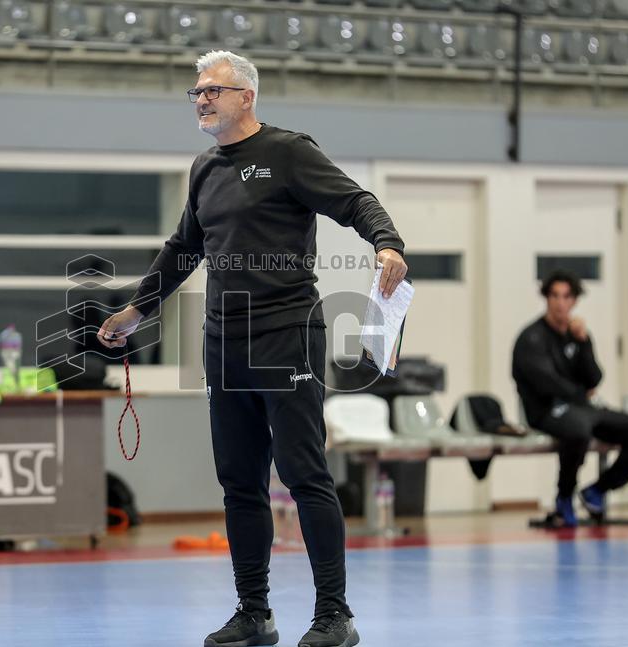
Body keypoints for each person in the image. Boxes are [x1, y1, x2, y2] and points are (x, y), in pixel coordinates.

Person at [97, 51, 407, 647]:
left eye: (213, 90)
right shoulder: (204, 167)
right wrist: (136, 311)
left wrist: (386, 244)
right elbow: (182, 250)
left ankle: (334, 615)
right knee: (240, 480)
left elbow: (355, 201)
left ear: (247, 96)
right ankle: (254, 612)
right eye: (196, 92)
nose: (202, 99)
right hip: (223, 342)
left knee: (302, 472)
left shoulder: (289, 152)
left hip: (286, 333)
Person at [512, 269, 628, 528]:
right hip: (546, 411)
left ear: (574, 301)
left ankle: (597, 491)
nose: (560, 303)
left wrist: (583, 344)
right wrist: (580, 393)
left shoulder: (578, 334)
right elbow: (547, 384)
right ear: (546, 298)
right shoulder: (531, 338)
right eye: (555, 296)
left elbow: (594, 378)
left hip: (583, 408)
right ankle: (564, 496)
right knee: (578, 430)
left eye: (566, 297)